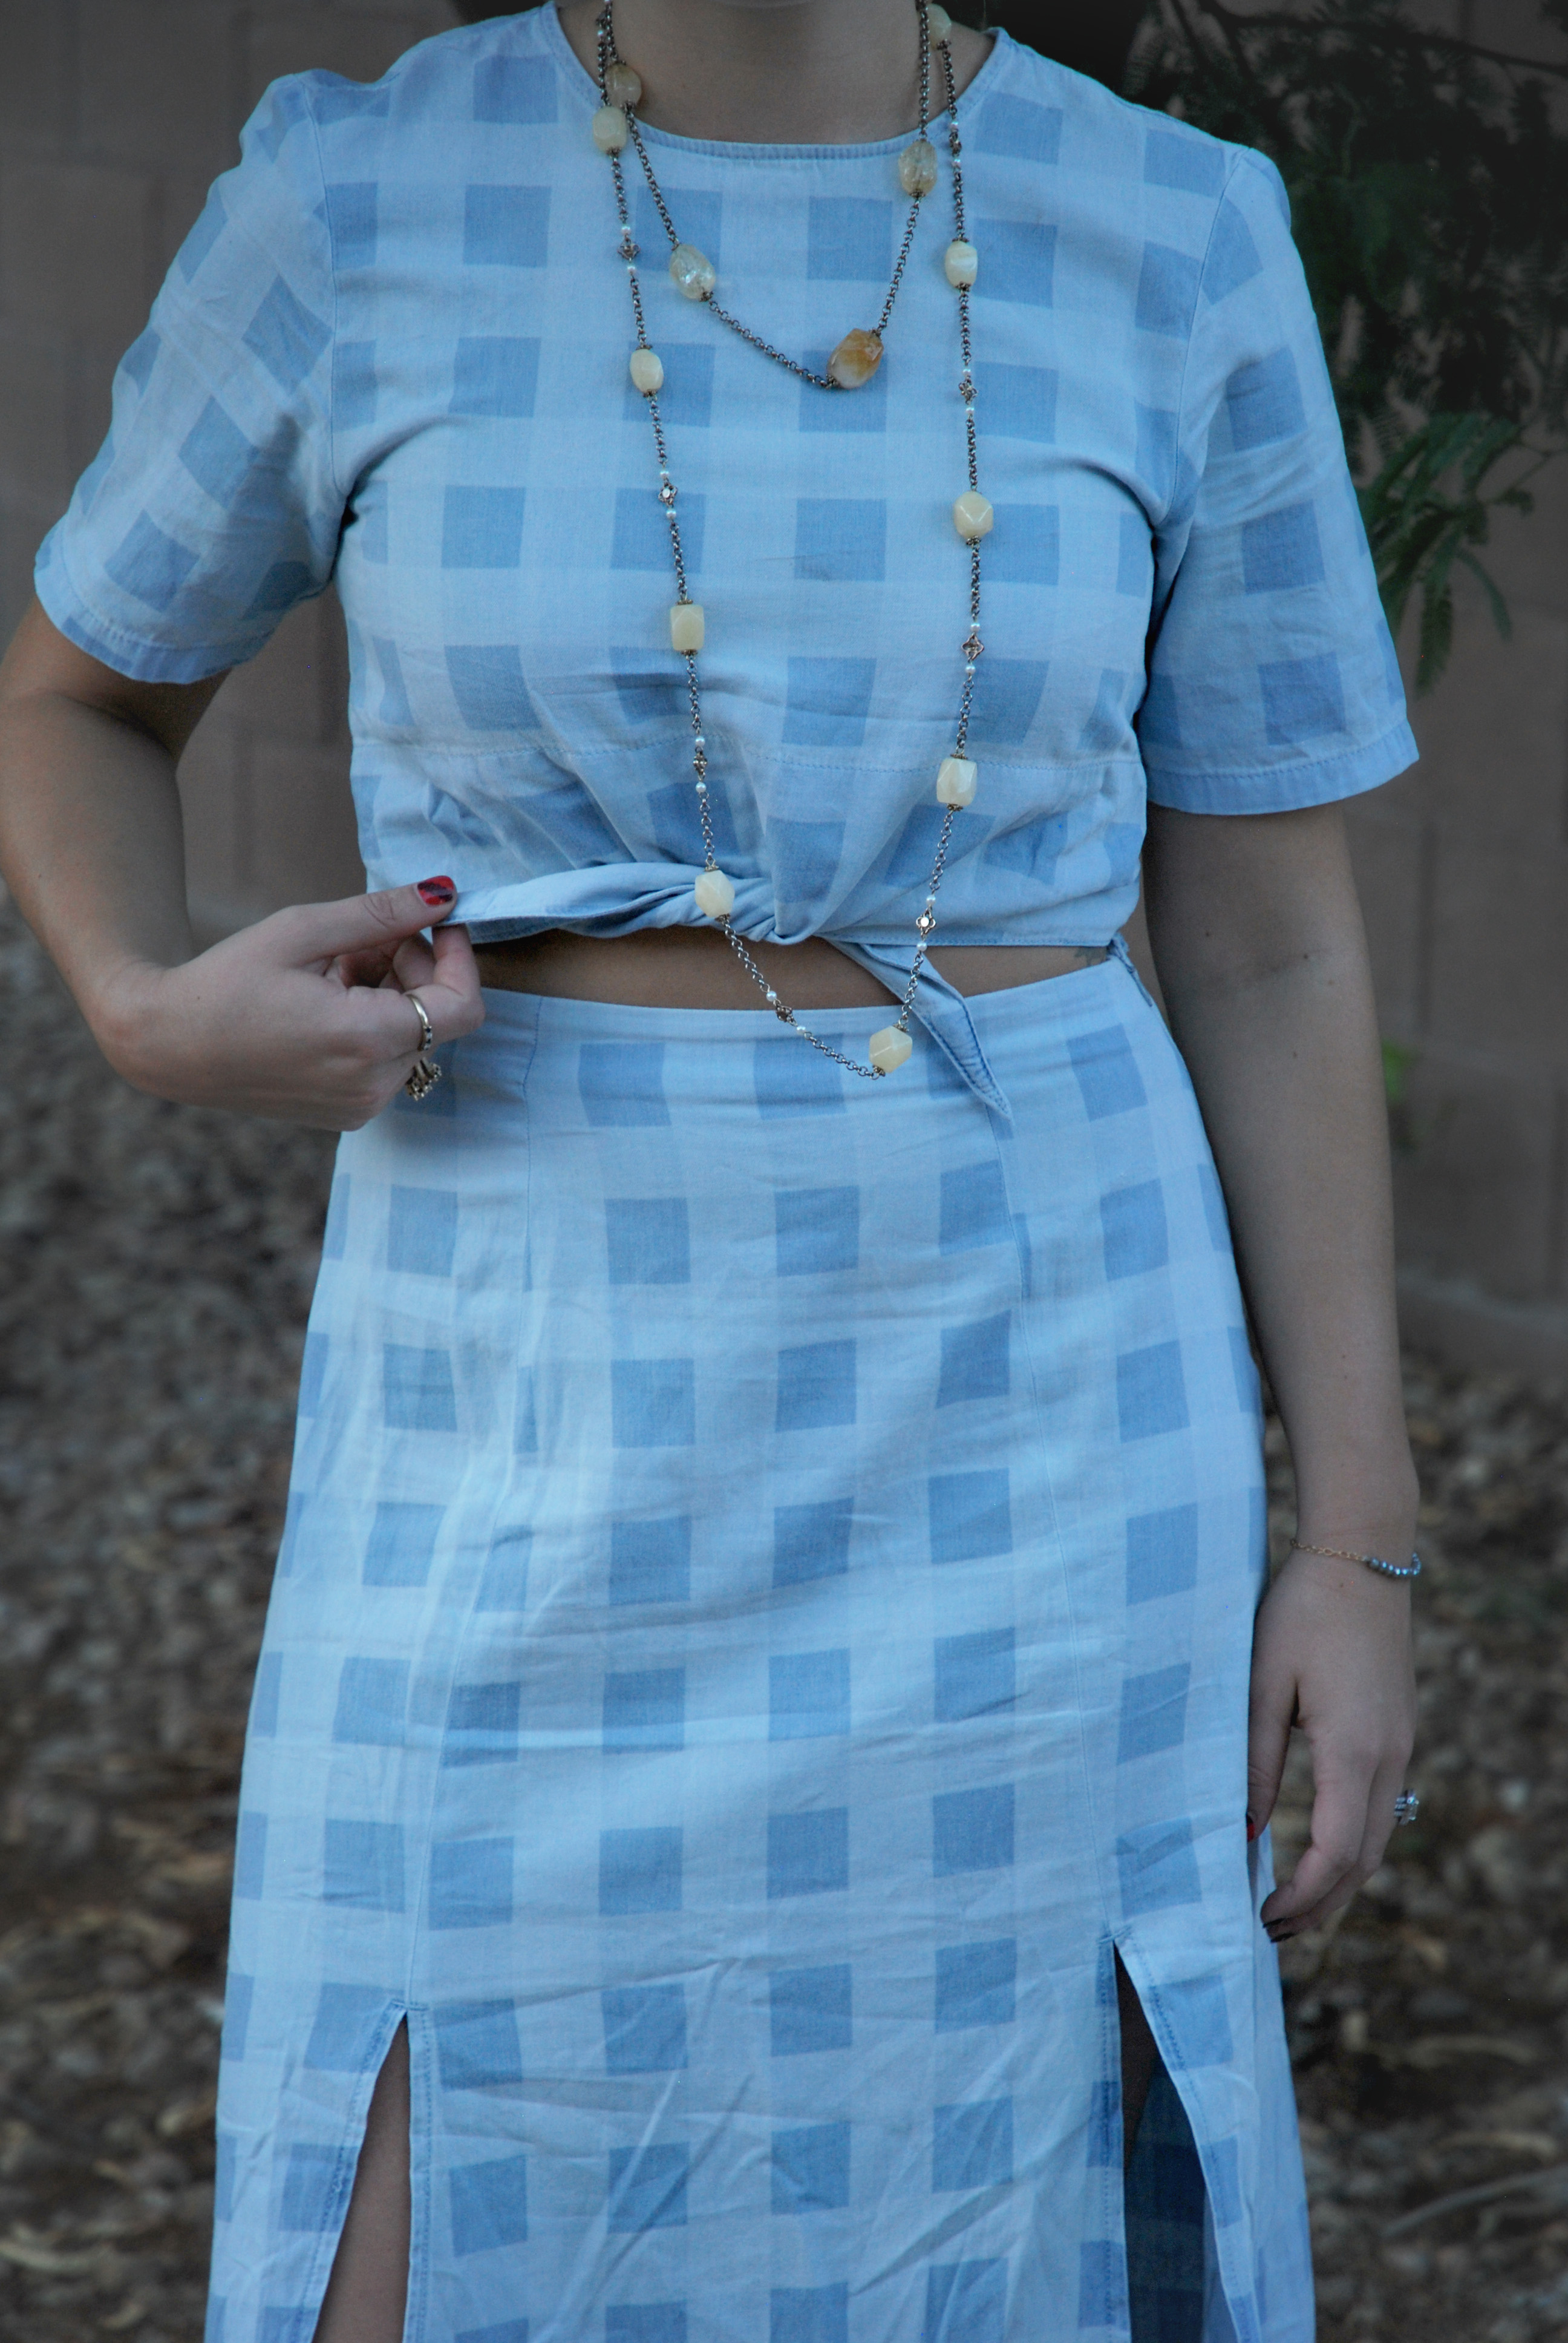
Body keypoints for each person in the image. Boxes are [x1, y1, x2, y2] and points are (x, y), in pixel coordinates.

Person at [0, 2, 1419, 2337]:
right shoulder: (360, 195)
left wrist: (1357, 1539)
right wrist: (144, 1006)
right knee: (419, 2184)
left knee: (1010, 2223)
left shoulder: (1178, 230)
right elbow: (78, 697)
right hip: (515, 1406)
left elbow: (1271, 942)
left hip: (1046, 1437)